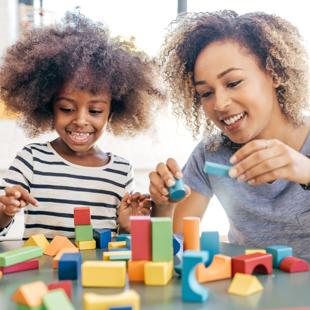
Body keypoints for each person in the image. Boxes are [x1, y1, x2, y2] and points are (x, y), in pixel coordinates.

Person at [149, 10, 310, 257]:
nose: (220, 104)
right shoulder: (211, 154)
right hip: (250, 291)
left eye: (233, 83)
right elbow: (175, 245)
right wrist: (162, 206)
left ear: (274, 74)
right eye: (206, 93)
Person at [0, 12, 162, 239]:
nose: (81, 120)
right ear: (49, 106)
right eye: (67, 109)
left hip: (96, 275)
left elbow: (116, 242)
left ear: (111, 112)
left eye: (95, 111)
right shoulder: (32, 160)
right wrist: (5, 209)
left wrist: (126, 228)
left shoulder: (120, 171)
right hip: (44, 275)